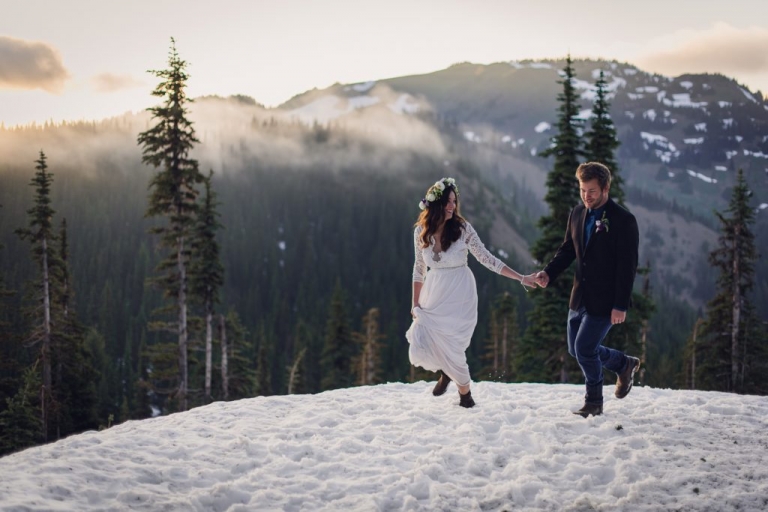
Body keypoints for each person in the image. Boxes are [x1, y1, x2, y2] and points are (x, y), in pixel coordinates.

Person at [406, 177, 534, 408]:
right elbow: (418, 268)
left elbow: (487, 259)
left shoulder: (463, 229)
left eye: (454, 202)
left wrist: (521, 277)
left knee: (453, 345)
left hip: (460, 291)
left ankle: (465, 395)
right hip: (434, 290)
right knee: (425, 336)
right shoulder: (420, 232)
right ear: (434, 204)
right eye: (447, 202)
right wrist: (415, 304)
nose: (451, 206)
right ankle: (447, 371)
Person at [533, 162, 640, 418]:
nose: (586, 196)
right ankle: (624, 364)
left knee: (584, 349)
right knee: (576, 349)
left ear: (605, 188)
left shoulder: (624, 220)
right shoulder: (577, 213)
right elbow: (568, 250)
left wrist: (620, 305)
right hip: (579, 295)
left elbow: (628, 267)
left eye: (591, 191)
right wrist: (548, 272)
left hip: (606, 300)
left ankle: (594, 402)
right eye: (582, 190)